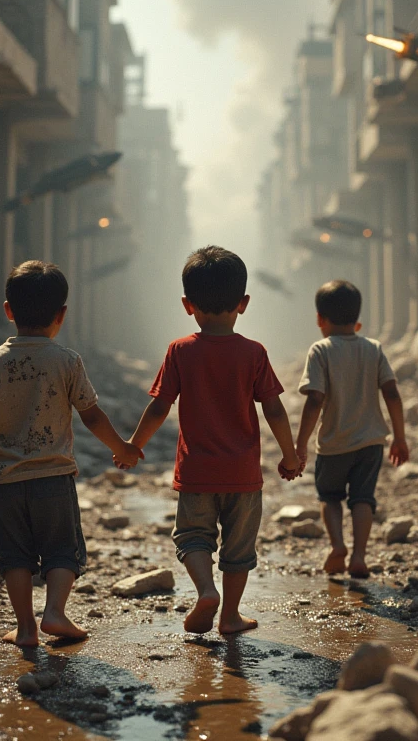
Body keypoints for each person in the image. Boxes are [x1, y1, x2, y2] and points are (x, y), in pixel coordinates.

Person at [0, 260, 142, 647]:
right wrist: (121, 447)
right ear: (62, 315)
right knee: (62, 551)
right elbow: (91, 415)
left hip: (6, 482)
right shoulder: (67, 361)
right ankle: (55, 612)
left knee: (15, 557)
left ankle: (26, 628)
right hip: (54, 479)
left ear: (8, 311)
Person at [122, 245, 302, 636]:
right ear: (244, 303)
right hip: (242, 474)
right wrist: (290, 455)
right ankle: (230, 616)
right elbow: (273, 409)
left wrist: (134, 445)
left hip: (196, 472)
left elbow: (159, 407)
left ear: (188, 305)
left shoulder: (180, 351)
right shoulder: (254, 353)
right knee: (239, 552)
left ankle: (206, 591)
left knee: (192, 537)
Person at [295, 279, 409, 578]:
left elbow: (315, 399)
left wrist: (300, 444)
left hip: (333, 444)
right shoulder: (373, 349)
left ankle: (338, 547)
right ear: (358, 320)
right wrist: (399, 436)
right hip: (371, 443)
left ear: (320, 319)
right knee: (363, 498)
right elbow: (392, 394)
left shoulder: (320, 350)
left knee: (330, 496)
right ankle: (359, 555)